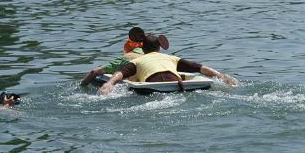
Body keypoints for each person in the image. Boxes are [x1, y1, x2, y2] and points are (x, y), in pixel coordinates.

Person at [98, 34, 237, 95]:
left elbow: (120, 73)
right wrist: (221, 76)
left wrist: (109, 84)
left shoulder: (136, 61)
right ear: (159, 48)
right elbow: (199, 68)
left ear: (143, 49)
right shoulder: (171, 58)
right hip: (178, 85)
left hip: (153, 89)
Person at [80, 27, 148, 88]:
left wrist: (81, 87)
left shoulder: (127, 57)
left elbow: (94, 72)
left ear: (127, 50)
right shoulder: (153, 52)